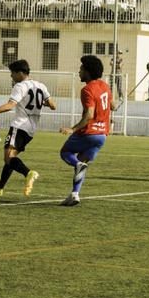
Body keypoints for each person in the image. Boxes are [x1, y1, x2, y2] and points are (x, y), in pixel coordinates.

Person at [0, 60, 56, 197]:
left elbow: (10, 105)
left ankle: (28, 173)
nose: (11, 76)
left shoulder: (20, 86)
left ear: (20, 73)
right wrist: (39, 103)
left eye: (12, 73)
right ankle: (0, 187)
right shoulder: (41, 86)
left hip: (19, 126)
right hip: (31, 130)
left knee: (8, 158)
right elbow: (53, 105)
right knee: (11, 157)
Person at [58, 55, 115, 206]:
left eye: (81, 68)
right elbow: (113, 106)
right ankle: (74, 194)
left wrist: (73, 129)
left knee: (65, 153)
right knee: (81, 164)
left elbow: (89, 114)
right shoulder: (105, 86)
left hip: (89, 133)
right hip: (102, 135)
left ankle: (77, 170)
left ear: (88, 72)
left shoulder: (87, 89)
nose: (79, 71)